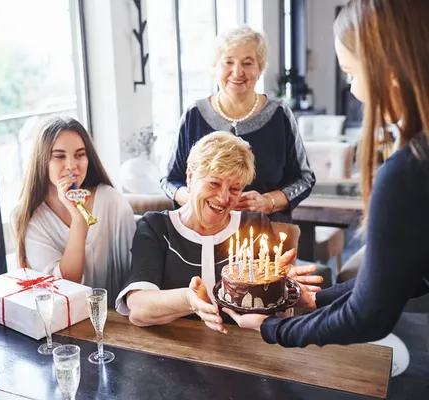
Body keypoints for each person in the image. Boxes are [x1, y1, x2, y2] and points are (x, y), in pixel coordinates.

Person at [227, 0, 429, 347]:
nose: (352, 89)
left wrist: (269, 328)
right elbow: (408, 273)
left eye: (351, 73)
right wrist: (317, 299)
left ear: (391, 71)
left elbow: (367, 316)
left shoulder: (407, 173)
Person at [116, 131, 322, 330]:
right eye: (214, 183)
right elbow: (138, 308)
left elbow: (269, 312)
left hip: (243, 351)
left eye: (235, 189)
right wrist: (189, 300)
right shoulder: (156, 227)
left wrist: (284, 293)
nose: (224, 198)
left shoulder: (254, 226)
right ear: (190, 177)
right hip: (174, 350)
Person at [161, 26, 315, 223]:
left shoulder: (280, 114)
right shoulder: (194, 115)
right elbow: (169, 181)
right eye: (228, 62)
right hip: (204, 238)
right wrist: (198, 199)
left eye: (248, 63)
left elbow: (304, 178)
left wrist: (268, 202)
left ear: (260, 68)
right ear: (215, 67)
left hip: (266, 238)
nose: (237, 72)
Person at [12, 117, 135, 307]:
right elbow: (64, 287)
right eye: (59, 156)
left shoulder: (113, 202)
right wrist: (78, 220)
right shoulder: (31, 220)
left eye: (80, 154)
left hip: (118, 322)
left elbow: (134, 276)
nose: (71, 165)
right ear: (42, 161)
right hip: (64, 325)